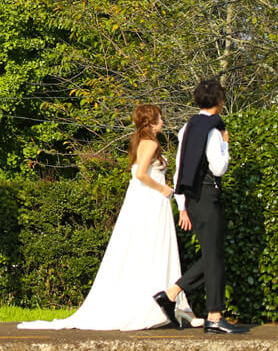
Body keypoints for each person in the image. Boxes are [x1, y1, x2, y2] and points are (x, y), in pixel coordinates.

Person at [18, 104, 201, 331]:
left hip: (148, 202)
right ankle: (168, 304)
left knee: (155, 249)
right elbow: (142, 174)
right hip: (150, 202)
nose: (163, 121)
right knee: (153, 248)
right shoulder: (150, 143)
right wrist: (162, 189)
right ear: (152, 122)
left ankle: (178, 305)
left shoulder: (140, 142)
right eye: (160, 118)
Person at [152, 78, 248, 334]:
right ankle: (214, 317)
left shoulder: (188, 126)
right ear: (219, 102)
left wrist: (182, 204)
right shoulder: (215, 130)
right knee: (214, 256)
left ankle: (172, 295)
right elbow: (219, 167)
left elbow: (181, 167)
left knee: (212, 256)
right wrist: (226, 144)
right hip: (207, 195)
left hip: (192, 198)